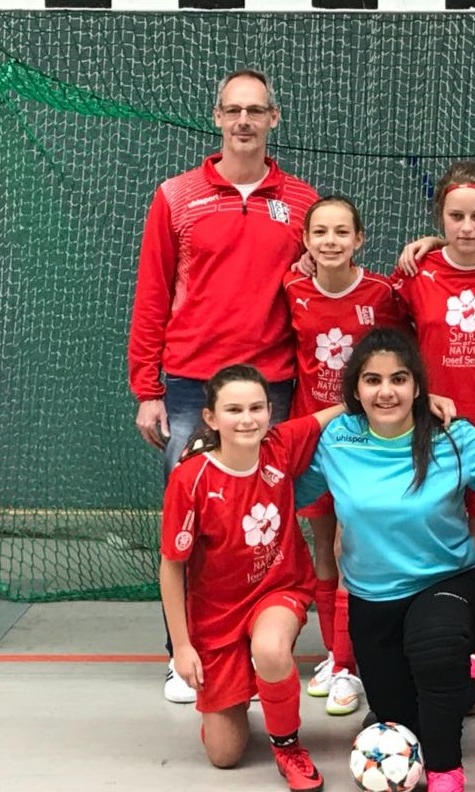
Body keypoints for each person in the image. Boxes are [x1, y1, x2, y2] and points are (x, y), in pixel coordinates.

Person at [127, 67, 318, 702]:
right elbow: (152, 293)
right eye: (233, 110)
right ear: (216, 117)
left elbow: (321, 290)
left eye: (255, 110)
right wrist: (146, 389)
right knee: (194, 522)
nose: (244, 121)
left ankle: (266, 652)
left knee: (266, 520)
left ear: (274, 119)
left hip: (273, 382)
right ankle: (185, 654)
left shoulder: (301, 201)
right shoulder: (176, 196)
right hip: (189, 385)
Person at [294, 327, 475, 792]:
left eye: (399, 379)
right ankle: (471, 684)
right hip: (374, 601)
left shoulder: (454, 436)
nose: (386, 391)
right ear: (355, 389)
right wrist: (214, 456)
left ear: (418, 386)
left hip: (452, 583)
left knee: (433, 653)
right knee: (399, 716)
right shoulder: (339, 440)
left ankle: (447, 773)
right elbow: (277, 486)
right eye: (372, 380)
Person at [160, 364, 343, 792]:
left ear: (269, 411)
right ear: (211, 418)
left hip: (278, 589)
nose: (247, 419)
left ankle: (288, 745)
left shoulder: (279, 447)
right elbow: (172, 566)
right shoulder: (191, 480)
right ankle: (237, 694)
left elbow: (328, 414)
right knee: (224, 756)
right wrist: (182, 647)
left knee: (271, 648)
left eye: (257, 408)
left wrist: (421, 402)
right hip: (217, 614)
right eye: (234, 409)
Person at [282, 196, 407, 715]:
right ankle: (337, 657)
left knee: (352, 550)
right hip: (317, 435)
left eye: (341, 232)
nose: (330, 241)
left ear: (359, 239)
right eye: (320, 233)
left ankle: (350, 662)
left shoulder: (382, 293)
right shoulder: (291, 287)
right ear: (307, 242)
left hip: (366, 439)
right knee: (323, 547)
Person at [388, 161, 475, 575]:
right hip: (433, 428)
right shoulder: (417, 271)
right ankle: (444, 637)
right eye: (455, 217)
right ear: (441, 219)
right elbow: (387, 346)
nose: (466, 227)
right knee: (434, 538)